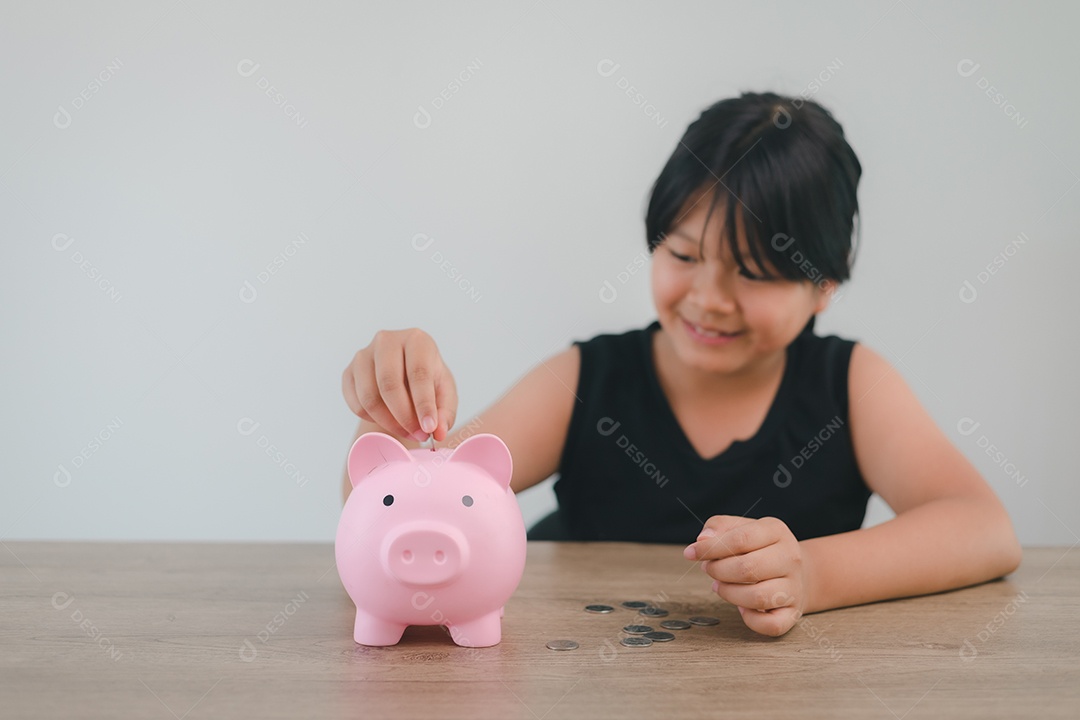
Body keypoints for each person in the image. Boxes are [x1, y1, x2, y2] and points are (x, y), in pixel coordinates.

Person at [339, 91, 1022, 637]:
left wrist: (813, 574)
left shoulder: (850, 384)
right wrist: (391, 416)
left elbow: (984, 530)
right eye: (684, 256)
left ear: (823, 286)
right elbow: (400, 511)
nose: (707, 300)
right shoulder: (587, 378)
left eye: (753, 271)